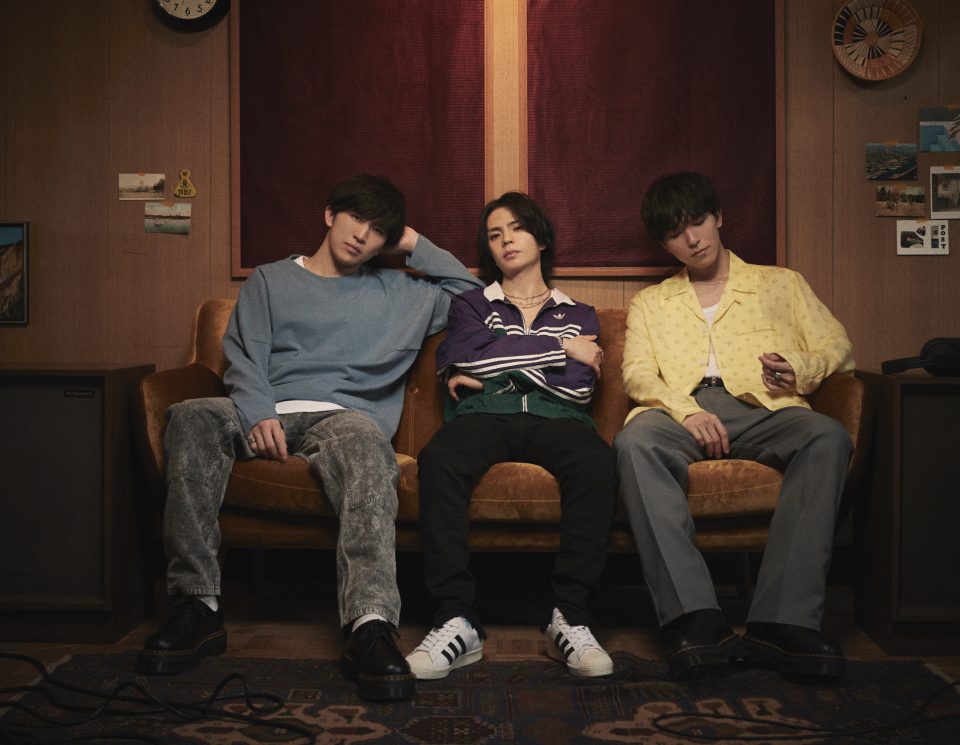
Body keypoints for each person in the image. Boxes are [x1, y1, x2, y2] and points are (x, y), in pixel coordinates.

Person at [135, 174, 483, 701]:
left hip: (344, 418)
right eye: (356, 218)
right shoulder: (271, 280)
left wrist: (412, 242)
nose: (362, 235)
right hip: (266, 408)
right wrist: (257, 413)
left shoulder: (402, 292)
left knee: (368, 444)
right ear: (329, 214)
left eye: (378, 230)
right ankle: (197, 604)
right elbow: (244, 354)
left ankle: (370, 624)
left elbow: (473, 298)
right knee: (190, 416)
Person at [614, 172, 855, 681]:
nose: (692, 239)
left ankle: (782, 622)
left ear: (719, 217)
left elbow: (836, 346)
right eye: (676, 233)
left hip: (764, 408)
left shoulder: (781, 284)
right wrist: (685, 411)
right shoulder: (651, 303)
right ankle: (695, 619)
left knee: (827, 436)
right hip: (681, 410)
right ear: (664, 244)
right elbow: (637, 374)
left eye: (698, 222)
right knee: (635, 442)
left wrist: (798, 368)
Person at [405, 192, 617, 680]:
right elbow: (465, 359)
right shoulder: (470, 304)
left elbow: (578, 386)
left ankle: (571, 618)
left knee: (596, 462)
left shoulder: (579, 312)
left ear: (541, 239)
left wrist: (497, 366)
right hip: (484, 416)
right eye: (495, 234)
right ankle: (455, 620)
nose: (506, 240)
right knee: (439, 459)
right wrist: (561, 350)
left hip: (559, 417)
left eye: (517, 228)